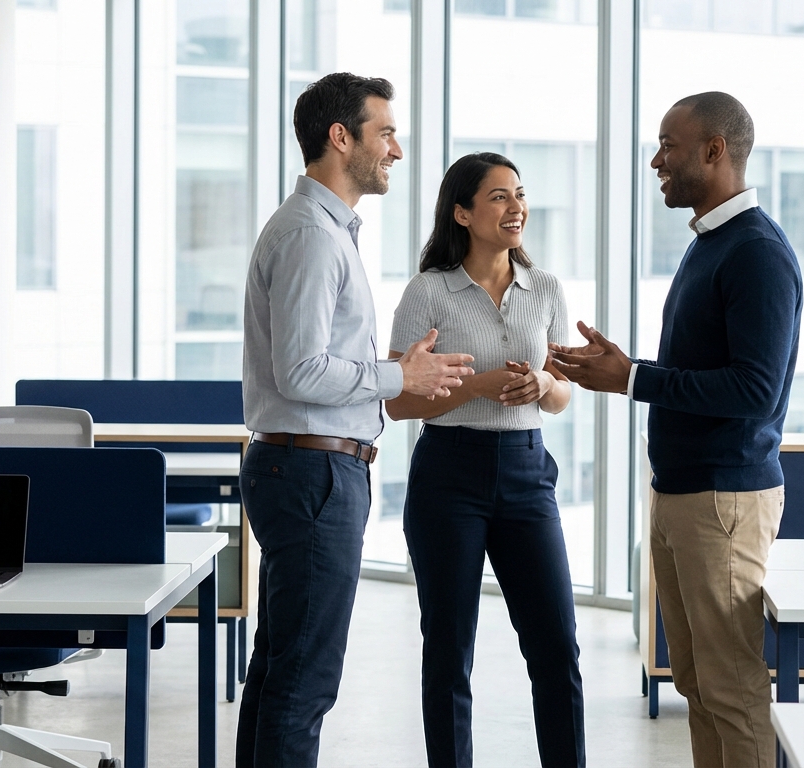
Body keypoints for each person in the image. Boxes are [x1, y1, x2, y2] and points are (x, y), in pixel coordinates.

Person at [551, 92, 802, 768]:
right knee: (697, 683)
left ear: (715, 151)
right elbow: (708, 371)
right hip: (684, 495)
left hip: (723, 500)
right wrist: (619, 371)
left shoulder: (757, 253)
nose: (657, 160)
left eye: (670, 145)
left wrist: (631, 378)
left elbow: (754, 391)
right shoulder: (713, 245)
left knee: (731, 689)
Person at [237, 72, 476, 768]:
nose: (396, 150)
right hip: (312, 472)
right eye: (385, 133)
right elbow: (302, 372)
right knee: (304, 681)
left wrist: (402, 373)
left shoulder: (322, 230)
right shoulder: (312, 236)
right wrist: (403, 376)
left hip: (308, 466)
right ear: (340, 138)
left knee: (282, 667)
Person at [386, 152, 585, 768]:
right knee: (448, 652)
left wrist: (541, 388)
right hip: (449, 473)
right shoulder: (427, 292)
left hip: (528, 470)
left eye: (519, 194)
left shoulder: (545, 288)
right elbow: (397, 403)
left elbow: (561, 394)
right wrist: (478, 384)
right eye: (498, 196)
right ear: (463, 213)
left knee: (557, 648)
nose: (516, 206)